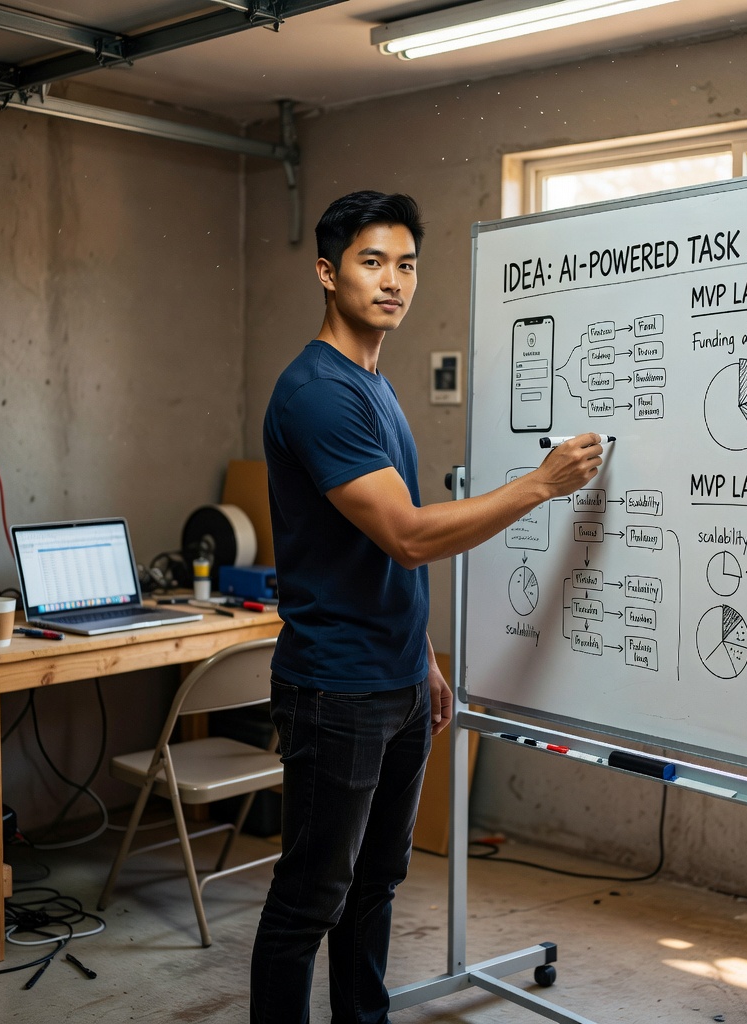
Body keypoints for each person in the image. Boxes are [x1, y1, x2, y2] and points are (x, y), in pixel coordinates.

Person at [251, 190, 605, 1024]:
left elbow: (382, 555)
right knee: (310, 900)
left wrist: (427, 660)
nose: (393, 282)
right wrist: (539, 485)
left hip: (397, 682)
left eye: (406, 265)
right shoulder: (317, 393)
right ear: (327, 271)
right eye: (372, 262)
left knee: (375, 887)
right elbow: (409, 535)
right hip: (337, 690)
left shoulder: (375, 383)